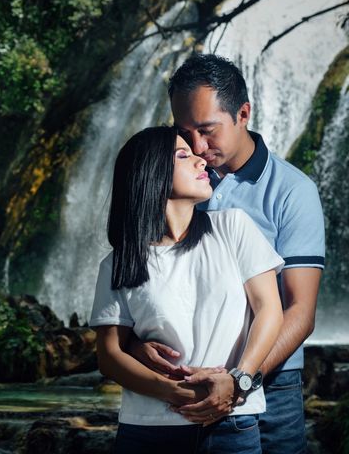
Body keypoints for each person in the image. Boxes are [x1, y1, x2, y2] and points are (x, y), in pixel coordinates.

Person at [129, 54, 325, 453]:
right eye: (184, 133)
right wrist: (135, 346)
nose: (197, 147)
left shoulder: (293, 192)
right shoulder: (174, 182)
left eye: (207, 130)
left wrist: (240, 380)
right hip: (181, 385)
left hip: (271, 382)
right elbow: (142, 283)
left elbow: (300, 313)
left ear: (243, 113)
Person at [91, 126, 284, 453]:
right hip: (147, 428)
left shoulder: (233, 227)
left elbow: (270, 310)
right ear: (152, 174)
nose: (202, 162)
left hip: (232, 421)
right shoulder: (119, 263)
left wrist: (238, 381)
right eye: (184, 156)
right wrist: (174, 393)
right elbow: (110, 356)